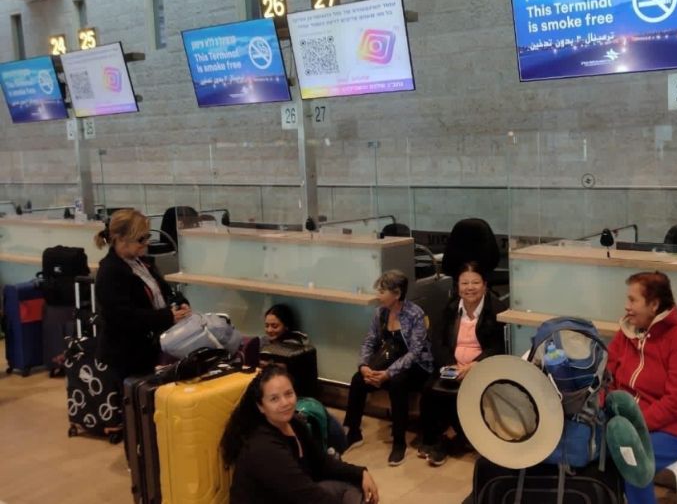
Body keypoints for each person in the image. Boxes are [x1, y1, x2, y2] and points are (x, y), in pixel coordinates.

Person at [221, 364, 378, 504]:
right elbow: (307, 495)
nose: (285, 403)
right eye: (274, 399)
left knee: (356, 486)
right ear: (261, 406)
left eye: (289, 394)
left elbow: (322, 463)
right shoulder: (263, 446)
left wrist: (360, 472)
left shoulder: (294, 423)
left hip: (293, 497)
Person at [607, 272, 677, 504]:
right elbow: (607, 376)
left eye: (633, 300)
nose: (627, 307)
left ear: (654, 305)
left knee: (632, 459)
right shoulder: (625, 334)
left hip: (671, 431)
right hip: (624, 424)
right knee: (588, 447)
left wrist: (636, 425)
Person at [418, 261, 506, 466]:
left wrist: (474, 365)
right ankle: (435, 437)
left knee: (468, 391)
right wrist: (451, 365)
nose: (470, 288)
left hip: (480, 368)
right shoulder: (449, 308)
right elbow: (437, 341)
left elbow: (498, 346)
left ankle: (448, 438)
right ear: (457, 286)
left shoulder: (497, 309)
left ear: (485, 284)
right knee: (430, 390)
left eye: (475, 282)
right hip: (452, 365)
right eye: (464, 283)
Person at [342, 270, 433, 466]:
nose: (378, 296)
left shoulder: (415, 314)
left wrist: (388, 373)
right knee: (358, 380)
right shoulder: (380, 313)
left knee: (397, 383)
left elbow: (415, 352)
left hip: (416, 366)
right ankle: (353, 431)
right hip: (388, 360)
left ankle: (399, 443)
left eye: (382, 291)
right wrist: (364, 365)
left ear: (397, 293)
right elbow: (370, 340)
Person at [94, 209, 191, 378]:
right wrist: (166, 317)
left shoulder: (142, 263)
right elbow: (122, 317)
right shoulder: (110, 272)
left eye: (147, 237)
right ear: (122, 239)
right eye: (141, 239)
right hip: (127, 356)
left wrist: (181, 303)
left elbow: (165, 292)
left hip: (150, 350)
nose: (146, 243)